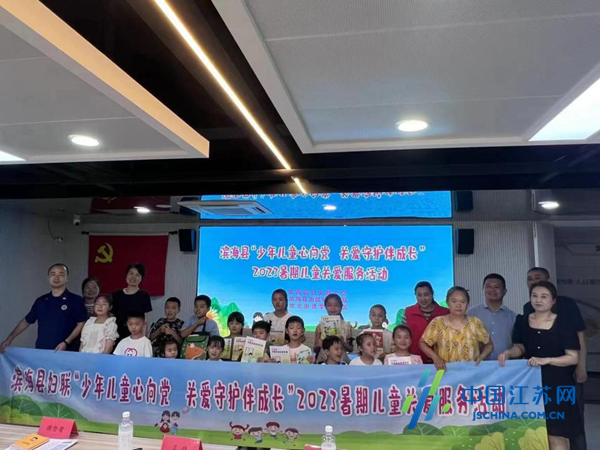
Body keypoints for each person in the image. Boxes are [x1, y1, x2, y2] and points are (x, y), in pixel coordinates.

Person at [499, 281, 582, 450]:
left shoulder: (564, 323)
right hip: (530, 385)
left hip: (558, 385)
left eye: (544, 297)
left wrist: (548, 360)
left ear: (553, 301)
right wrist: (509, 353)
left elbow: (573, 358)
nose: (538, 300)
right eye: (534, 296)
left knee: (557, 434)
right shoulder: (522, 321)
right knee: (532, 433)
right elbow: (521, 347)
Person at [525, 267, 587, 450]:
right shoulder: (527, 311)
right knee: (542, 429)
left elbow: (580, 337)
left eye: (538, 277)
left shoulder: (567, 305)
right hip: (535, 381)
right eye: (530, 279)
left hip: (562, 377)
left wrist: (581, 366)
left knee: (569, 426)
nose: (534, 281)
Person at [1, 263, 87, 352]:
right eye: (53, 274)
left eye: (61, 274)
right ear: (48, 277)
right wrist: (9, 339)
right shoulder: (41, 301)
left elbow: (81, 324)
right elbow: (26, 321)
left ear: (66, 278)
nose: (56, 278)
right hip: (42, 351)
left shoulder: (76, 300)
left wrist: (66, 342)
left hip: (66, 351)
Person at [419, 286, 493, 370]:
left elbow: (489, 345)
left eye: (463, 302)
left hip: (471, 373)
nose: (458, 305)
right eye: (454, 301)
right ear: (447, 302)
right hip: (444, 373)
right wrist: (435, 357)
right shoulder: (437, 323)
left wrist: (482, 357)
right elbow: (422, 343)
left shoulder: (475, 323)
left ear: (468, 304)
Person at [467, 274, 516, 360]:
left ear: (504, 291)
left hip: (504, 365)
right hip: (477, 364)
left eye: (496, 287)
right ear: (483, 289)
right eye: (488, 286)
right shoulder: (470, 314)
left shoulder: (513, 317)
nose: (492, 290)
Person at [402, 281, 449, 362]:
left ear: (432, 294)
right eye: (419, 295)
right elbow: (403, 335)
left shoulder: (445, 313)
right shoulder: (408, 312)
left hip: (440, 360)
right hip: (415, 360)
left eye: (426, 295)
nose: (423, 299)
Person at [112, 263, 152, 340]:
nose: (133, 277)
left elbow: (145, 320)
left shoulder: (144, 295)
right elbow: (111, 316)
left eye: (137, 275)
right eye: (131, 273)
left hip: (136, 336)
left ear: (141, 278)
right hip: (117, 335)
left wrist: (143, 339)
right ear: (126, 275)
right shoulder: (116, 295)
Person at [315, 293, 353, 363]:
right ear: (325, 307)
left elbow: (350, 349)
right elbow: (315, 349)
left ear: (341, 307)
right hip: (323, 361)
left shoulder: (347, 326)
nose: (333, 308)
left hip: (342, 361)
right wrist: (318, 345)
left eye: (336, 305)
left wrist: (343, 343)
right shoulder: (319, 327)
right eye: (329, 305)